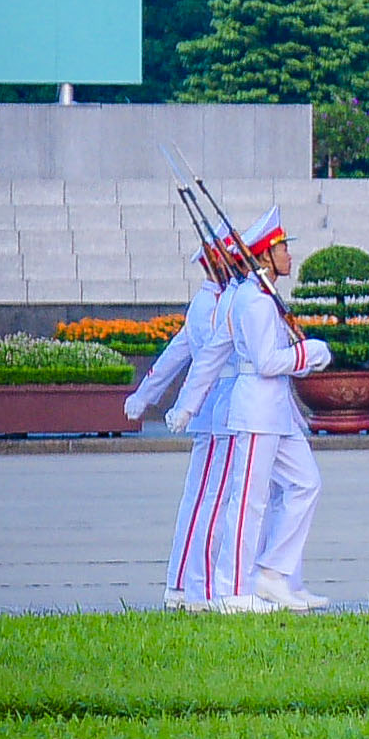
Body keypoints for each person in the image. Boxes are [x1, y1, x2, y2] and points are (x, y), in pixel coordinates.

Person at [195, 207, 337, 612]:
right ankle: (231, 590)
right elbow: (265, 362)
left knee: (306, 484)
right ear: (263, 257)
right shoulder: (254, 302)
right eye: (282, 249)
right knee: (249, 501)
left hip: (277, 414)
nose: (289, 256)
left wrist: (306, 357)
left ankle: (272, 574)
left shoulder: (264, 297)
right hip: (256, 410)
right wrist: (307, 352)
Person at [124, 224, 236, 612]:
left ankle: (184, 583)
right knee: (211, 500)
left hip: (217, 408)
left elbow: (174, 355)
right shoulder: (217, 304)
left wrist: (144, 396)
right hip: (220, 409)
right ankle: (193, 588)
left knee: (204, 498)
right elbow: (198, 359)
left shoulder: (213, 301)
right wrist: (153, 398)